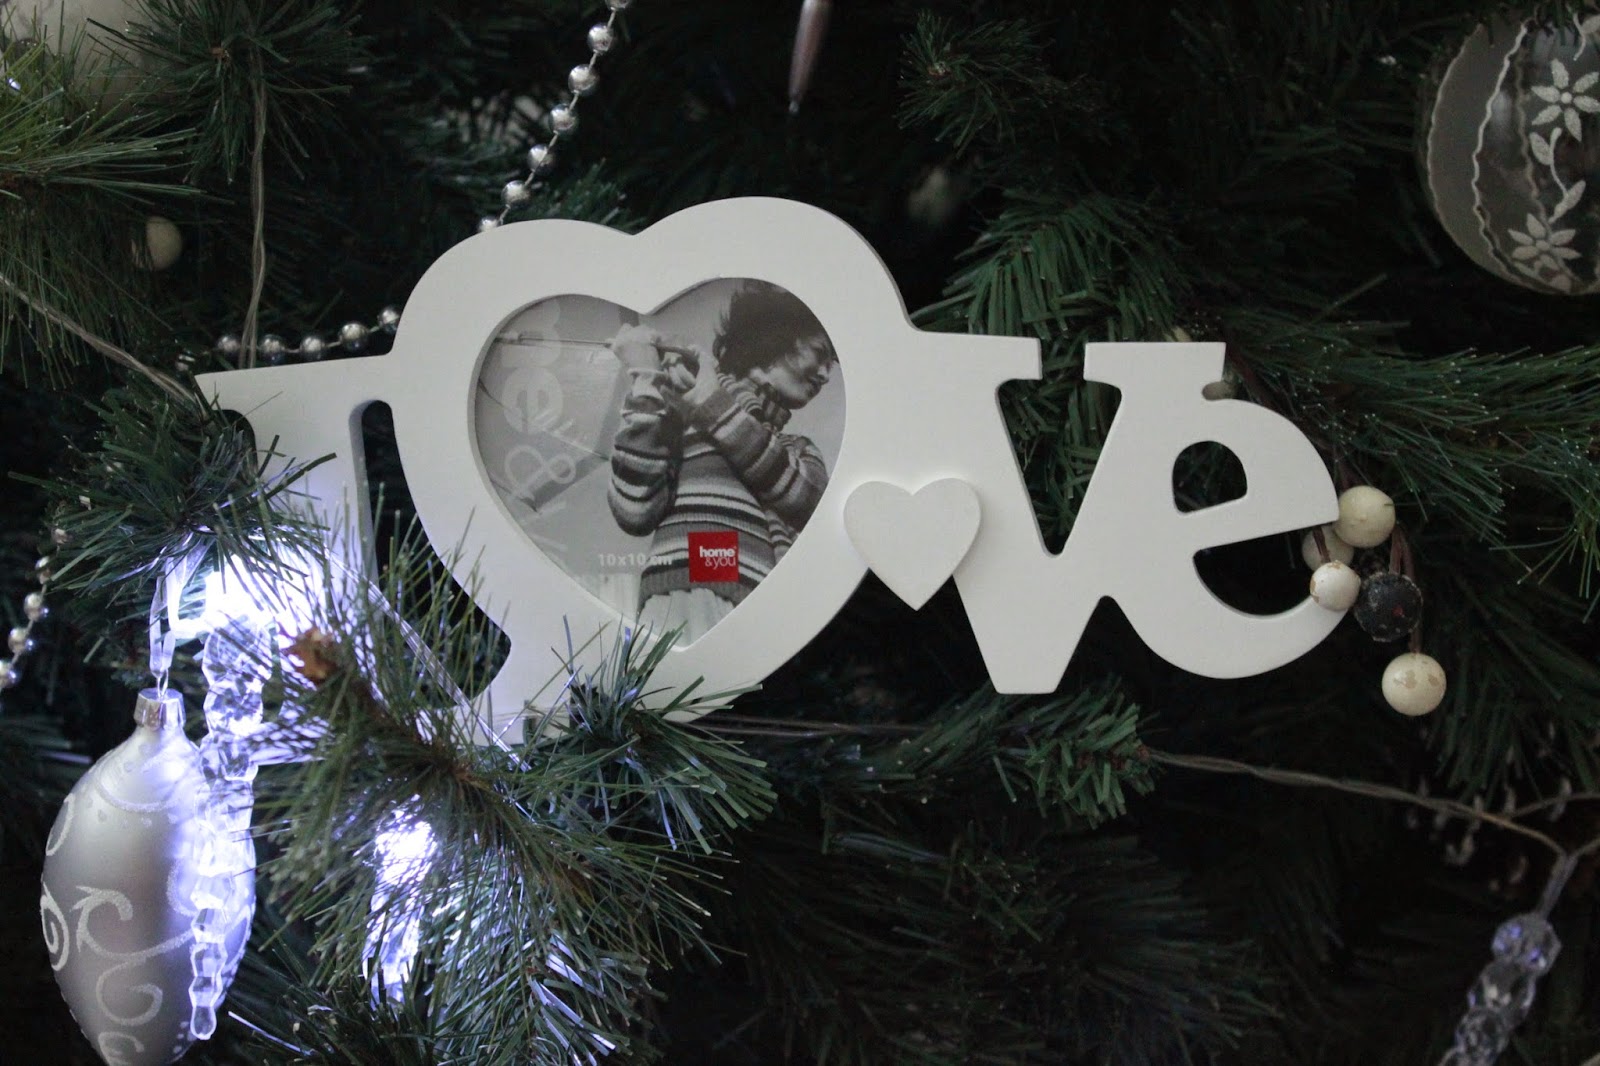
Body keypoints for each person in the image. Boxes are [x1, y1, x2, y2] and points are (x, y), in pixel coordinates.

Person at [607, 282, 837, 640]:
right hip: (685, 598)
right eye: (820, 354)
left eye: (831, 364)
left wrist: (712, 400)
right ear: (775, 339)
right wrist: (647, 381)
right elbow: (634, 509)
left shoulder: (797, 450)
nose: (825, 374)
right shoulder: (683, 418)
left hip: (764, 616)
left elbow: (806, 502)